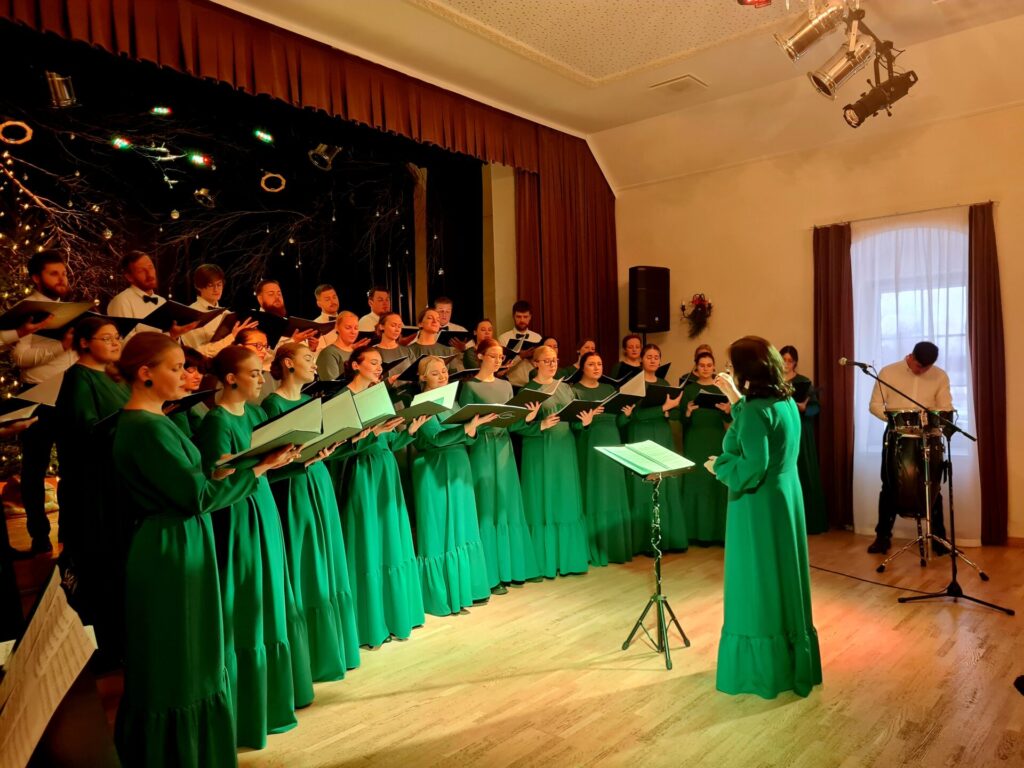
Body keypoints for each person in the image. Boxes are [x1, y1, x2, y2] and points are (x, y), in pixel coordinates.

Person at [111, 332, 295, 767]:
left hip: (180, 538)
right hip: (169, 548)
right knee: (180, 653)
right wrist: (259, 469)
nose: (187, 376)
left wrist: (235, 470)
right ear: (145, 373)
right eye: (176, 368)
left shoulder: (156, 421)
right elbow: (197, 497)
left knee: (194, 649)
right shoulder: (145, 427)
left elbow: (194, 483)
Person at [193, 346, 314, 749]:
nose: (262, 379)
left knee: (273, 597)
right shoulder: (216, 421)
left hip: (262, 507)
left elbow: (266, 467)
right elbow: (216, 480)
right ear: (230, 379)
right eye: (254, 374)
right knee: (247, 602)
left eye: (262, 373)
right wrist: (259, 465)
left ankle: (280, 696)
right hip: (238, 516)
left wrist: (297, 460)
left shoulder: (257, 414)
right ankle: (249, 707)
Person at [710, 336, 822, 699]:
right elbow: (763, 430)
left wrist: (720, 466)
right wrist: (735, 400)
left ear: (746, 370)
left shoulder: (756, 411)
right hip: (785, 497)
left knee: (755, 580)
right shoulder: (785, 400)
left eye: (732, 366)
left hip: (755, 505)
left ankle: (760, 670)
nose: (729, 371)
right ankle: (792, 661)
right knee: (782, 575)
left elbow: (752, 467)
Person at [262, 344, 362, 681]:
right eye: (308, 359)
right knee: (308, 561)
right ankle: (311, 655)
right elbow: (274, 458)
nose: (314, 366)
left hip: (318, 479)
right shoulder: (272, 404)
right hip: (294, 485)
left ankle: (337, 646)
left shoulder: (310, 401)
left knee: (328, 557)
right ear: (288, 363)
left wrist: (337, 444)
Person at [341, 346, 427, 646]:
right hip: (362, 472)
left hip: (385, 467)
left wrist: (409, 430)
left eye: (381, 364)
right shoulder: (343, 399)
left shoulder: (379, 395)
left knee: (391, 537)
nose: (379, 368)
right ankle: (370, 621)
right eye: (374, 363)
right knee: (368, 539)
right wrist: (373, 435)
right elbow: (342, 449)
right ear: (355, 365)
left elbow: (389, 441)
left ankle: (395, 613)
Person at [53, 317, 129, 632]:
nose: (115, 342)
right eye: (106, 338)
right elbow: (85, 432)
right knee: (99, 558)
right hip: (93, 486)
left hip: (118, 477)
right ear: (85, 343)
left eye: (117, 337)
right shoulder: (79, 378)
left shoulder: (114, 376)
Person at [411, 356, 496, 615]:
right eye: (435, 373)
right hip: (435, 468)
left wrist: (473, 429)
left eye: (444, 371)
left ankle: (468, 588)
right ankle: (443, 594)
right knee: (440, 527)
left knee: (463, 524)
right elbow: (435, 438)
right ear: (423, 377)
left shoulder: (452, 400)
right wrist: (467, 428)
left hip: (459, 464)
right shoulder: (422, 403)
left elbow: (468, 438)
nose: (442, 375)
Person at [457, 338, 541, 592]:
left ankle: (513, 568)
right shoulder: (469, 386)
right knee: (487, 504)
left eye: (500, 357)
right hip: (482, 447)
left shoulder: (506, 385)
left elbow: (512, 423)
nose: (497, 360)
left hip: (504, 446)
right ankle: (490, 576)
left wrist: (527, 417)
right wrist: (479, 424)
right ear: (480, 356)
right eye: (492, 356)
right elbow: (465, 422)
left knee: (506, 503)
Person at [13, 251, 79, 554]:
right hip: (38, 396)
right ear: (36, 278)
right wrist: (59, 347)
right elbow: (19, 357)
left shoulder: (73, 309)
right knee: (34, 469)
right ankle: (39, 535)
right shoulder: (26, 310)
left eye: (63, 273)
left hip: (71, 394)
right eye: (54, 273)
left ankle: (69, 530)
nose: (62, 278)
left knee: (73, 467)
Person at [867, 341, 953, 554]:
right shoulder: (888, 372)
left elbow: (945, 407)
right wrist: (896, 419)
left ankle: (939, 538)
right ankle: (882, 537)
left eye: (927, 368)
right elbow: (875, 405)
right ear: (911, 357)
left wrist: (939, 417)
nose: (922, 371)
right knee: (889, 485)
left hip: (928, 437)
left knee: (932, 485)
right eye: (919, 366)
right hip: (897, 436)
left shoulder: (940, 376)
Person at [514, 344, 590, 578]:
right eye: (546, 360)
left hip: (565, 450)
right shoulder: (528, 391)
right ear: (536, 363)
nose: (552, 364)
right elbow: (515, 427)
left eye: (555, 360)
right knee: (543, 498)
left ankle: (570, 559)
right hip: (540, 451)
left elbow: (573, 422)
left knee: (565, 498)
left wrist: (584, 422)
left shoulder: (565, 388)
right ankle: (543, 562)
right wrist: (539, 424)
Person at [624, 343, 687, 554]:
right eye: (649, 356)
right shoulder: (633, 384)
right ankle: (644, 542)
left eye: (656, 357)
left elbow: (673, 413)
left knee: (664, 483)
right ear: (641, 359)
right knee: (644, 486)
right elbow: (634, 416)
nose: (653, 360)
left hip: (662, 433)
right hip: (640, 435)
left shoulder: (664, 383)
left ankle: (666, 539)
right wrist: (663, 408)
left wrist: (668, 411)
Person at [571, 351, 633, 565]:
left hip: (612, 441)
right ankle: (595, 548)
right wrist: (585, 422)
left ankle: (615, 547)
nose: (597, 368)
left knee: (613, 491)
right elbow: (573, 426)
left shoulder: (609, 389)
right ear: (582, 367)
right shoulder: (575, 391)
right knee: (595, 490)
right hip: (590, 444)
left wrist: (626, 415)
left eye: (599, 364)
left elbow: (618, 423)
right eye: (591, 364)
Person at [679, 351, 731, 546]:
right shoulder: (689, 389)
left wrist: (727, 411)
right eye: (702, 365)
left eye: (709, 365)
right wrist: (687, 411)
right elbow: (682, 420)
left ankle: (717, 533)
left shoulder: (721, 388)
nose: (706, 368)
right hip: (695, 440)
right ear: (696, 368)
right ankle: (695, 533)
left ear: (714, 367)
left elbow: (728, 418)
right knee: (696, 482)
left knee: (714, 483)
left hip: (716, 438)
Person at [780, 345, 828, 535]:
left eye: (789, 360)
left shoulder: (803, 382)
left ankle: (809, 522)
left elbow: (815, 408)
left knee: (803, 472)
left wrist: (804, 408)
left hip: (800, 431)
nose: (786, 364)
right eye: (783, 359)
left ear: (795, 363)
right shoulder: (774, 382)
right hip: (781, 430)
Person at [107, 251, 199, 339]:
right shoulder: (121, 301)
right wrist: (169, 336)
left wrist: (175, 335)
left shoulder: (162, 301)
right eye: (141, 271)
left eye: (151, 267)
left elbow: (170, 337)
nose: (150, 275)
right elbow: (125, 342)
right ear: (129, 277)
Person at [180, 263, 258, 358]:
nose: (216, 289)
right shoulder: (190, 314)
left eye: (219, 284)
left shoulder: (226, 314)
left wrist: (244, 334)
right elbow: (198, 352)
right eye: (210, 285)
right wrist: (232, 337)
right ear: (198, 286)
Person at [497, 300, 541, 387]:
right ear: (513, 316)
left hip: (534, 384)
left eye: (525, 317)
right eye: (518, 317)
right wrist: (520, 356)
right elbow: (500, 368)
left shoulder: (538, 338)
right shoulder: (503, 338)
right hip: (512, 384)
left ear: (530, 317)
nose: (522, 320)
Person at [317, 311, 369, 381]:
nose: (353, 332)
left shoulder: (357, 352)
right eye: (348, 328)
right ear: (337, 327)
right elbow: (332, 385)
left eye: (356, 328)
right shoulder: (329, 353)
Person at [313, 283, 340, 350]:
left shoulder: (347, 320)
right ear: (319, 304)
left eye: (334, 297)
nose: (333, 302)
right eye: (327, 299)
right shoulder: (315, 326)